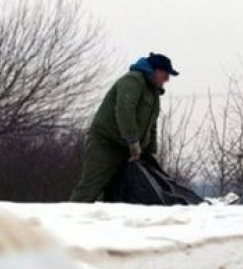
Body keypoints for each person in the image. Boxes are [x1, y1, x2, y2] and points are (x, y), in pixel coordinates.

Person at [70, 52, 179, 202]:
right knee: (91, 187)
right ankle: (71, 218)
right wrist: (133, 141)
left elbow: (151, 124)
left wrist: (150, 152)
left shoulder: (153, 92)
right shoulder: (133, 81)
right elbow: (124, 110)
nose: (167, 80)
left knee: (119, 193)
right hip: (106, 143)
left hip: (129, 149)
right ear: (157, 71)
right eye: (166, 75)